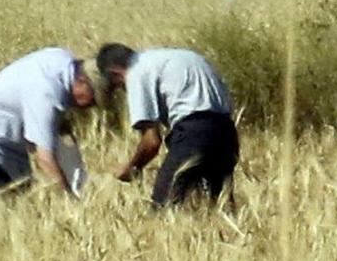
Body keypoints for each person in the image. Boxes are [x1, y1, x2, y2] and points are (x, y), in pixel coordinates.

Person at [96, 43, 239, 208]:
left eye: (118, 86)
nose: (123, 90)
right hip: (226, 131)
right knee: (219, 205)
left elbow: (151, 141)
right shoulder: (177, 57)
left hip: (193, 134)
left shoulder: (136, 73)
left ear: (115, 73)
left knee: (164, 206)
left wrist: (133, 167)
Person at [0, 47, 97, 204]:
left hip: (9, 143)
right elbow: (45, 159)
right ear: (81, 81)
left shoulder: (63, 60)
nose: (90, 105)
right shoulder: (46, 94)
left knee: (19, 205)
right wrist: (69, 200)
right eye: (93, 98)